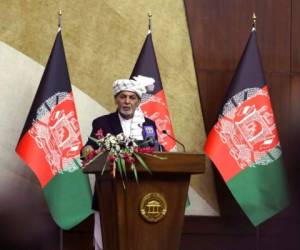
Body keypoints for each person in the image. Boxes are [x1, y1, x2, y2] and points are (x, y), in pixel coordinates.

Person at [81, 75, 161, 250]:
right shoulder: (102, 122)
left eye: (132, 97)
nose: (127, 101)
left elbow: (157, 151)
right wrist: (86, 150)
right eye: (122, 97)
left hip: (142, 193)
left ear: (138, 101)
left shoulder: (148, 124)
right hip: (109, 192)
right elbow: (90, 148)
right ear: (116, 99)